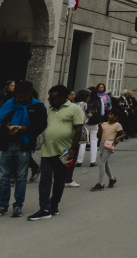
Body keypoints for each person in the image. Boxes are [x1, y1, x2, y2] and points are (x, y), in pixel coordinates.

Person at [30, 85, 83, 220]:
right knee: (45, 179)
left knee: (60, 179)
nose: (50, 100)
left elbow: (78, 130)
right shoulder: (52, 109)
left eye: (52, 98)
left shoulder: (75, 109)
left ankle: (54, 205)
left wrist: (73, 149)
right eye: (49, 98)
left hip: (66, 152)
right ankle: (44, 208)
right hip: (47, 150)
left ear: (62, 98)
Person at [0, 80, 47, 218]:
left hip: (23, 145)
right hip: (6, 144)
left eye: (23, 97)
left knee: (21, 177)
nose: (20, 100)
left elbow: (41, 125)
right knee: (4, 177)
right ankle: (3, 204)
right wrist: (5, 127)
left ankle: (18, 205)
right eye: (18, 97)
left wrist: (25, 129)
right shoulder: (9, 103)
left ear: (29, 94)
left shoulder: (37, 106)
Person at [91, 108, 124, 191]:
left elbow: (123, 134)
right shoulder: (104, 124)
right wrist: (99, 128)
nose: (109, 115)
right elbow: (98, 136)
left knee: (101, 163)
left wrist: (118, 138)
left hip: (109, 146)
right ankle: (112, 179)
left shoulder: (117, 125)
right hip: (102, 145)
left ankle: (100, 183)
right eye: (109, 114)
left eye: (111, 114)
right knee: (105, 164)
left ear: (115, 116)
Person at [77, 86, 102, 167]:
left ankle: (79, 161)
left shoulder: (83, 102)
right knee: (94, 141)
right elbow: (102, 113)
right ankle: (93, 161)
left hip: (85, 123)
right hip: (94, 123)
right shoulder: (99, 100)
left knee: (83, 142)